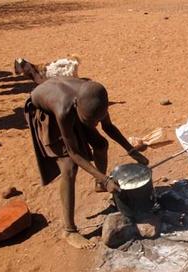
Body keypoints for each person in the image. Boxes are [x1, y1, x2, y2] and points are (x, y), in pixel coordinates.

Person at [25, 77, 149, 249]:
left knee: (101, 144)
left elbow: (108, 128)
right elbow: (74, 153)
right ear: (77, 106)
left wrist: (132, 151)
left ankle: (99, 184)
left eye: (96, 121)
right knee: (69, 167)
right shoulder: (63, 110)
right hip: (49, 112)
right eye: (89, 122)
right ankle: (69, 230)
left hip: (76, 109)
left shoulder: (95, 96)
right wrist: (107, 179)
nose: (94, 125)